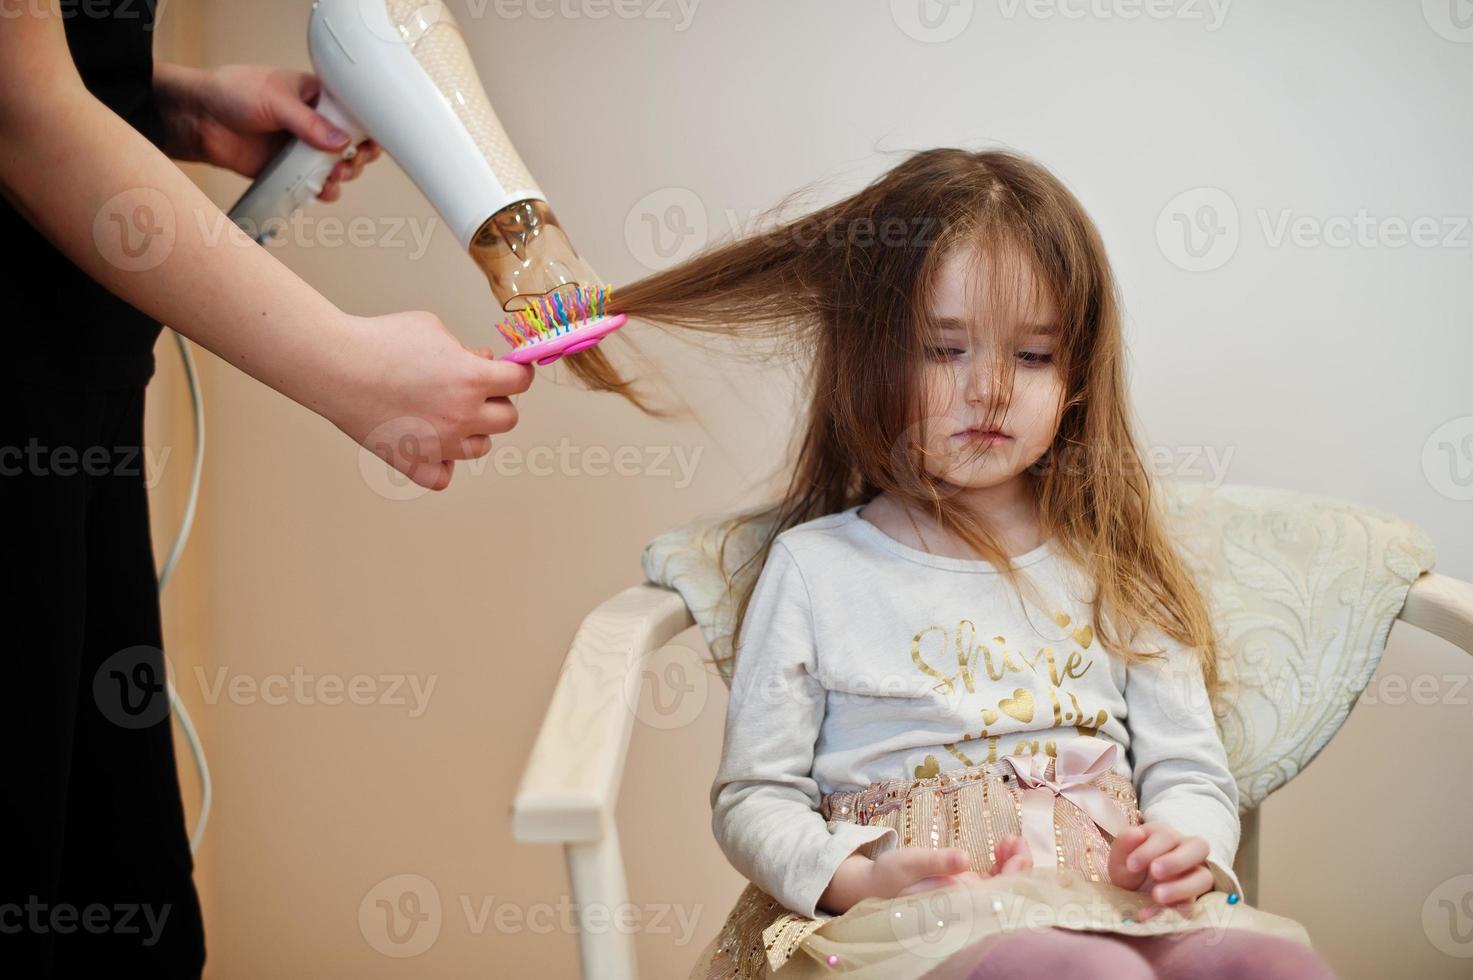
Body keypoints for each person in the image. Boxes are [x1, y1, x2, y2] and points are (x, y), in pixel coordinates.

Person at [572, 149, 1340, 977]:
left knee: (1269, 966)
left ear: (1077, 377)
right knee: (1081, 974)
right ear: (871, 361)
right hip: (920, 920)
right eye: (945, 351)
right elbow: (755, 795)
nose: (991, 391)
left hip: (1116, 900)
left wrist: (1182, 847)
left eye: (1034, 356)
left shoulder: (1116, 566)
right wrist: (855, 879)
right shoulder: (817, 569)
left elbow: (1186, 767)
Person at [0, 2, 532, 975]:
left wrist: (168, 107)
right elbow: (20, 112)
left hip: (79, 402)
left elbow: (35, 70)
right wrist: (350, 370)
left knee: (125, 906)